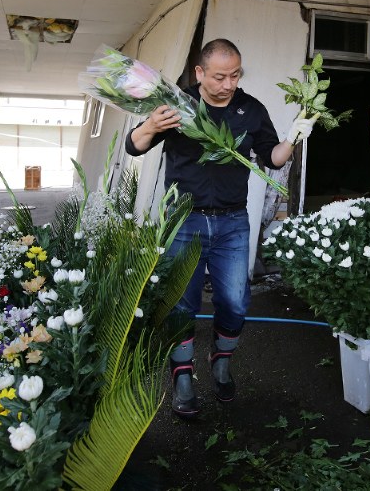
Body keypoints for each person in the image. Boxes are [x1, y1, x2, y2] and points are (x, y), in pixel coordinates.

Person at [125, 38, 315, 417]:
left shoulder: (250, 109)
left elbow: (272, 158)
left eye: (235, 75)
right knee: (181, 303)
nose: (228, 84)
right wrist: (149, 124)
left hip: (232, 222)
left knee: (235, 301)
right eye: (219, 77)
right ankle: (181, 374)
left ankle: (221, 360)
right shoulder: (179, 106)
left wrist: (293, 136)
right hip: (184, 220)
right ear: (200, 73)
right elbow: (134, 147)